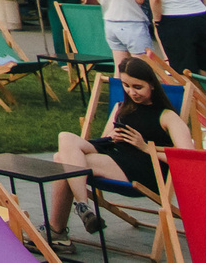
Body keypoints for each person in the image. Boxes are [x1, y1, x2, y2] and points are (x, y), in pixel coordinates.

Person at [46, 56, 190, 248]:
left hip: (146, 169)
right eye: (126, 86)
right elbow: (106, 142)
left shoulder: (167, 116)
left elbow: (188, 159)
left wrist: (146, 147)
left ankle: (58, 231)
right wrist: (111, 137)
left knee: (62, 162)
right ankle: (82, 207)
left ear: (152, 85)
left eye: (138, 87)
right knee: (65, 138)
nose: (132, 92)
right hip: (116, 156)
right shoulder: (121, 107)